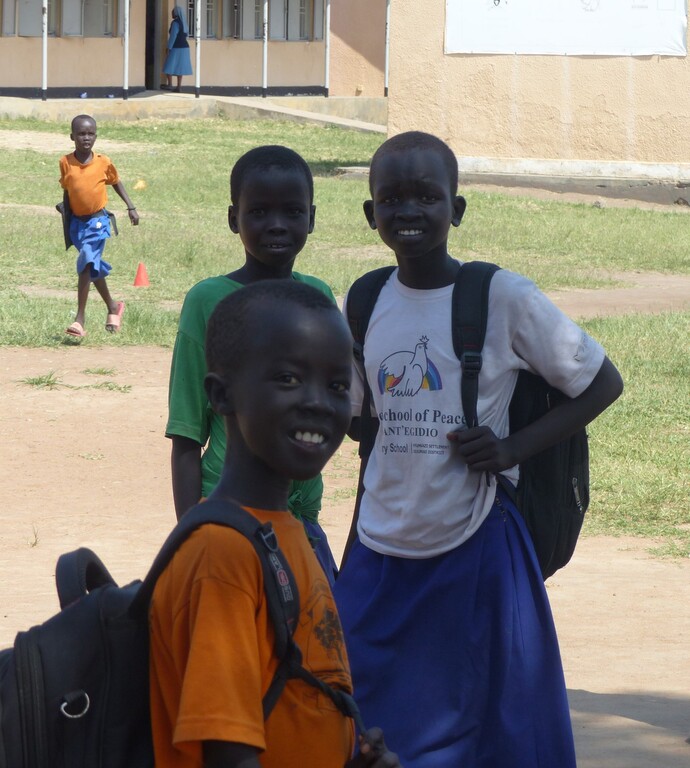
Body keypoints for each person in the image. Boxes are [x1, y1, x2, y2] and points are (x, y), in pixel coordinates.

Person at [333, 131, 624, 767]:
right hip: (380, 539)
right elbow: (357, 416)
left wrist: (511, 447)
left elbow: (601, 382)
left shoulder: (502, 297)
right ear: (370, 213)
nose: (408, 211)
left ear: (456, 210)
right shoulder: (362, 300)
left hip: (476, 542)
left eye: (426, 198)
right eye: (392, 199)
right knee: (355, 701)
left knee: (494, 720)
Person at [149, 280, 401, 768]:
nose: (318, 402)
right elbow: (228, 754)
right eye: (288, 379)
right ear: (222, 395)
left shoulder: (288, 532)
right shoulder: (222, 555)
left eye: (336, 385)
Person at [166, 145, 338, 582]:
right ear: (233, 219)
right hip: (228, 516)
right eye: (258, 211)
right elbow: (187, 435)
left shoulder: (318, 297)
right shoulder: (207, 301)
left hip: (302, 521)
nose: (277, 224)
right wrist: (191, 531)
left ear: (312, 218)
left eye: (292, 211)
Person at [59, 114, 139, 338]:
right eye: (81, 134)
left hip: (98, 222)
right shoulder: (65, 162)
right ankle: (113, 307)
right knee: (91, 265)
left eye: (90, 133)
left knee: (86, 263)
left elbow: (116, 182)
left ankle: (79, 319)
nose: (86, 138)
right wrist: (65, 214)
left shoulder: (103, 161)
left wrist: (131, 207)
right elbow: (68, 189)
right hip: (77, 224)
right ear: (72, 136)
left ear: (96, 136)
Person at [162, 5, 192, 93]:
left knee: (168, 65)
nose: (172, 13)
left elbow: (173, 37)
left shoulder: (175, 23)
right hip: (185, 48)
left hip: (176, 47)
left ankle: (170, 84)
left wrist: (168, 47)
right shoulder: (184, 23)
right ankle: (179, 86)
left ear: (176, 13)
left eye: (173, 12)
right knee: (180, 67)